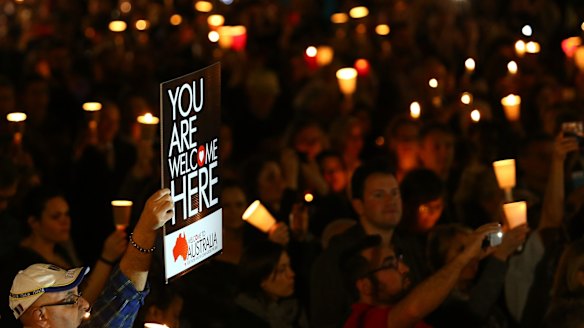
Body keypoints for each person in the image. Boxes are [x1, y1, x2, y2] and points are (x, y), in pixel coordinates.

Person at [8, 188, 174, 328]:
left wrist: (146, 230)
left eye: (78, 295)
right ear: (41, 316)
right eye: (71, 299)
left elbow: (123, 296)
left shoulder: (62, 250)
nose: (86, 304)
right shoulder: (20, 259)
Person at [341, 223, 501, 328]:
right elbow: (413, 310)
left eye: (400, 260)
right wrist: (465, 257)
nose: (404, 269)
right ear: (365, 286)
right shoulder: (362, 321)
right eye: (390, 265)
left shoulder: (407, 318)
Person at [309, 158, 401, 328]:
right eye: (379, 195)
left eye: (395, 192)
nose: (391, 201)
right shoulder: (337, 259)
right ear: (359, 205)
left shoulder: (408, 246)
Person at [228, 240, 309, 328]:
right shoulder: (245, 319)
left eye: (289, 266)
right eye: (281, 270)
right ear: (262, 280)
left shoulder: (294, 309)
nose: (291, 274)